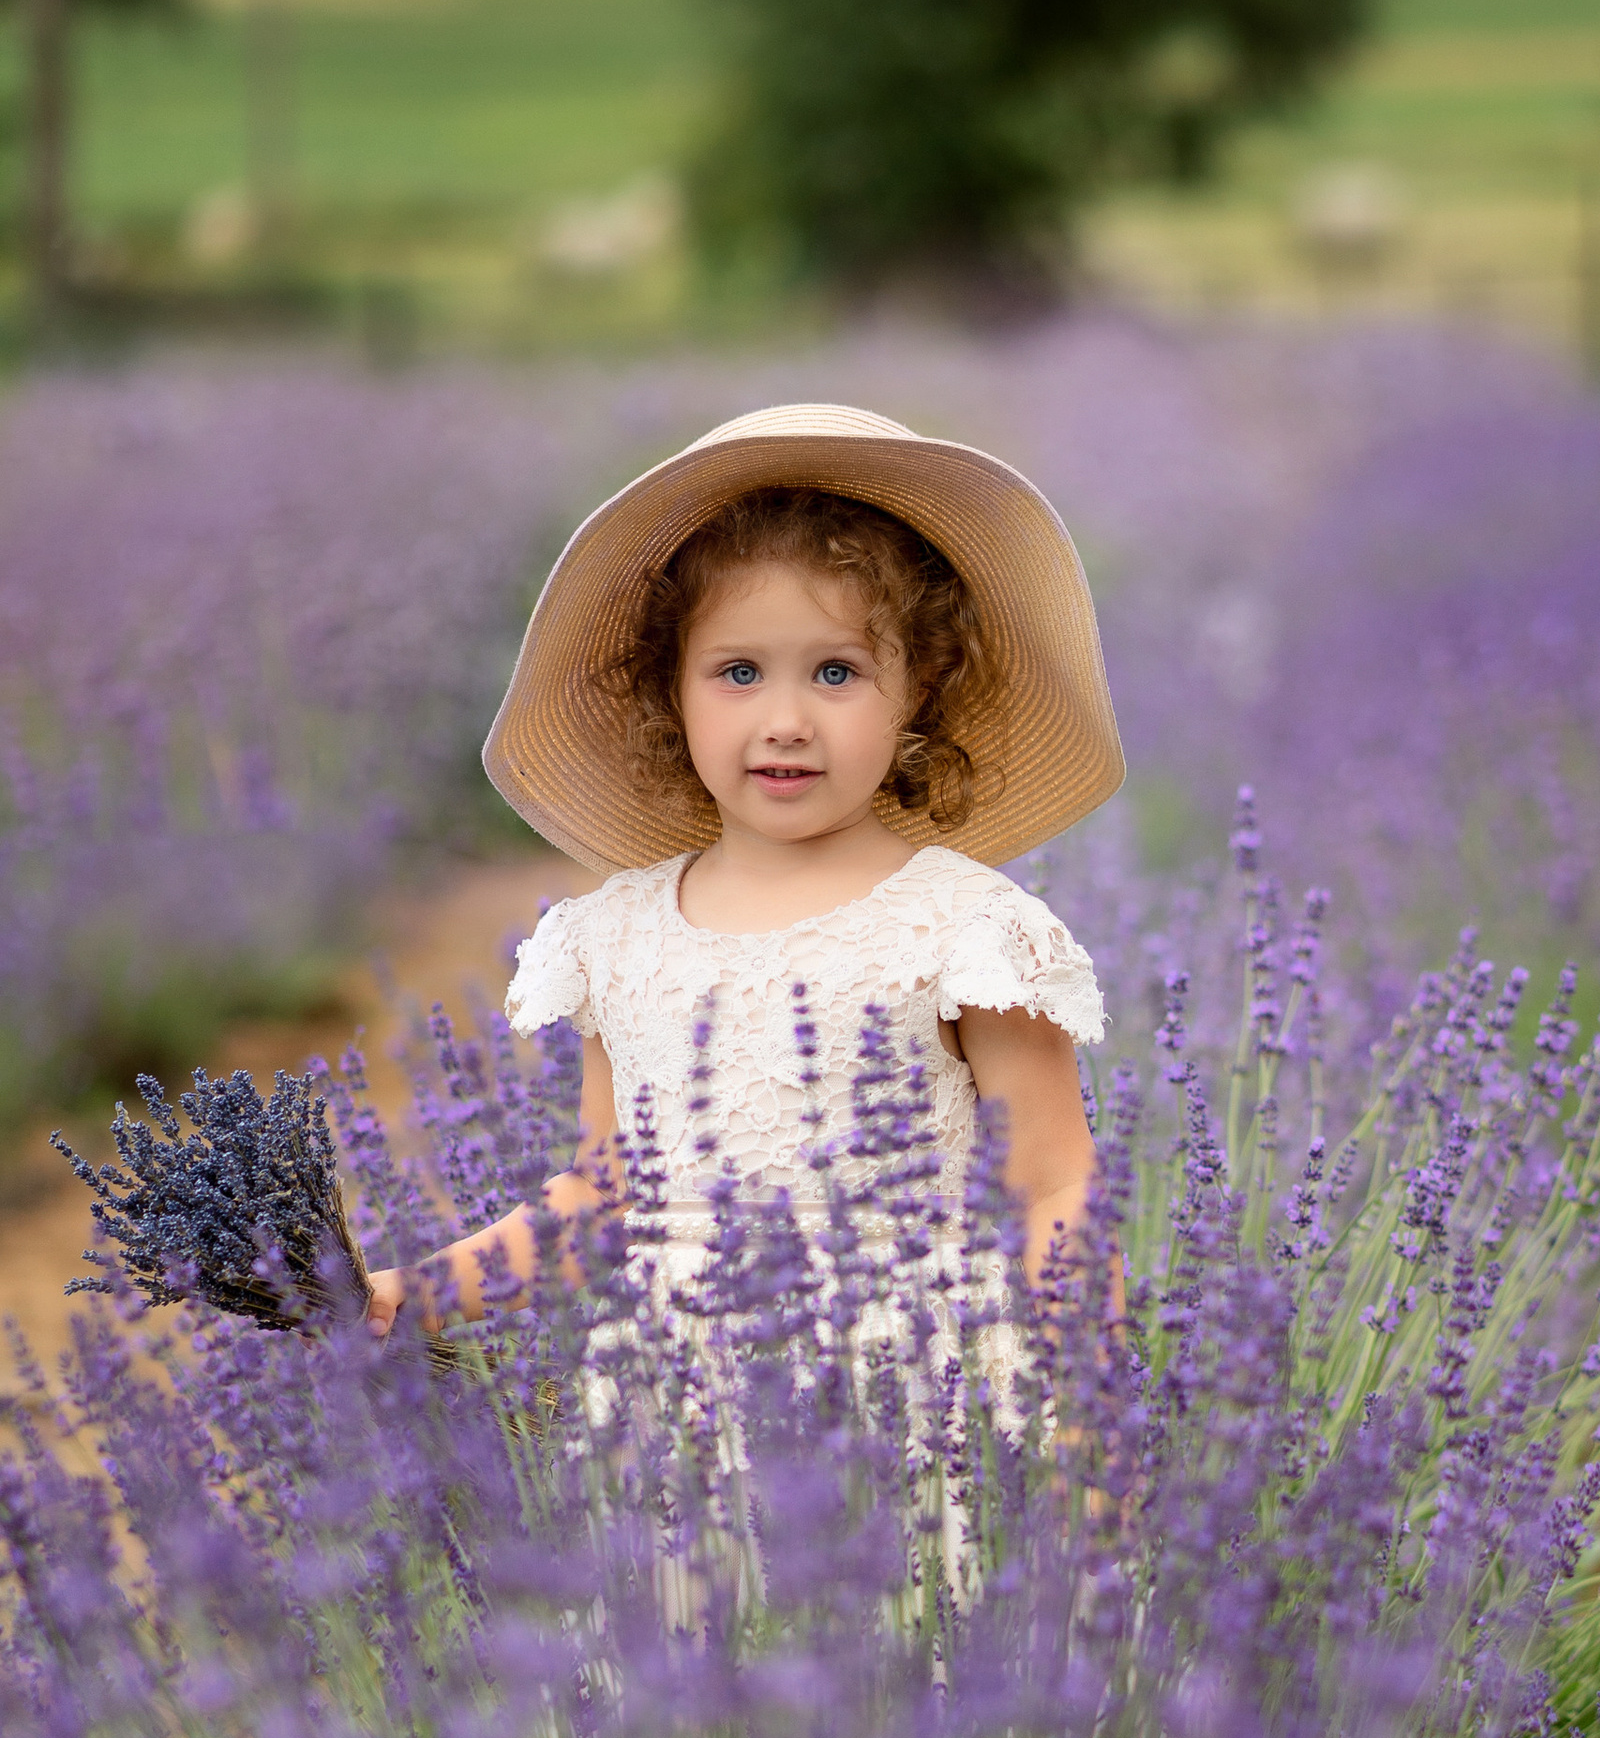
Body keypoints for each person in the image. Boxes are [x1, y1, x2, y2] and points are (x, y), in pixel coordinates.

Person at [363, 400, 1120, 1372]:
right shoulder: (617, 938)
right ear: (668, 689)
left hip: (911, 1415)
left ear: (918, 686)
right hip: (677, 1428)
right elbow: (601, 1198)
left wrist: (1084, 1441)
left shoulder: (966, 932)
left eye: (837, 672)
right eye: (739, 672)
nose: (787, 720)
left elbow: (1055, 1187)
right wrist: (411, 1293)